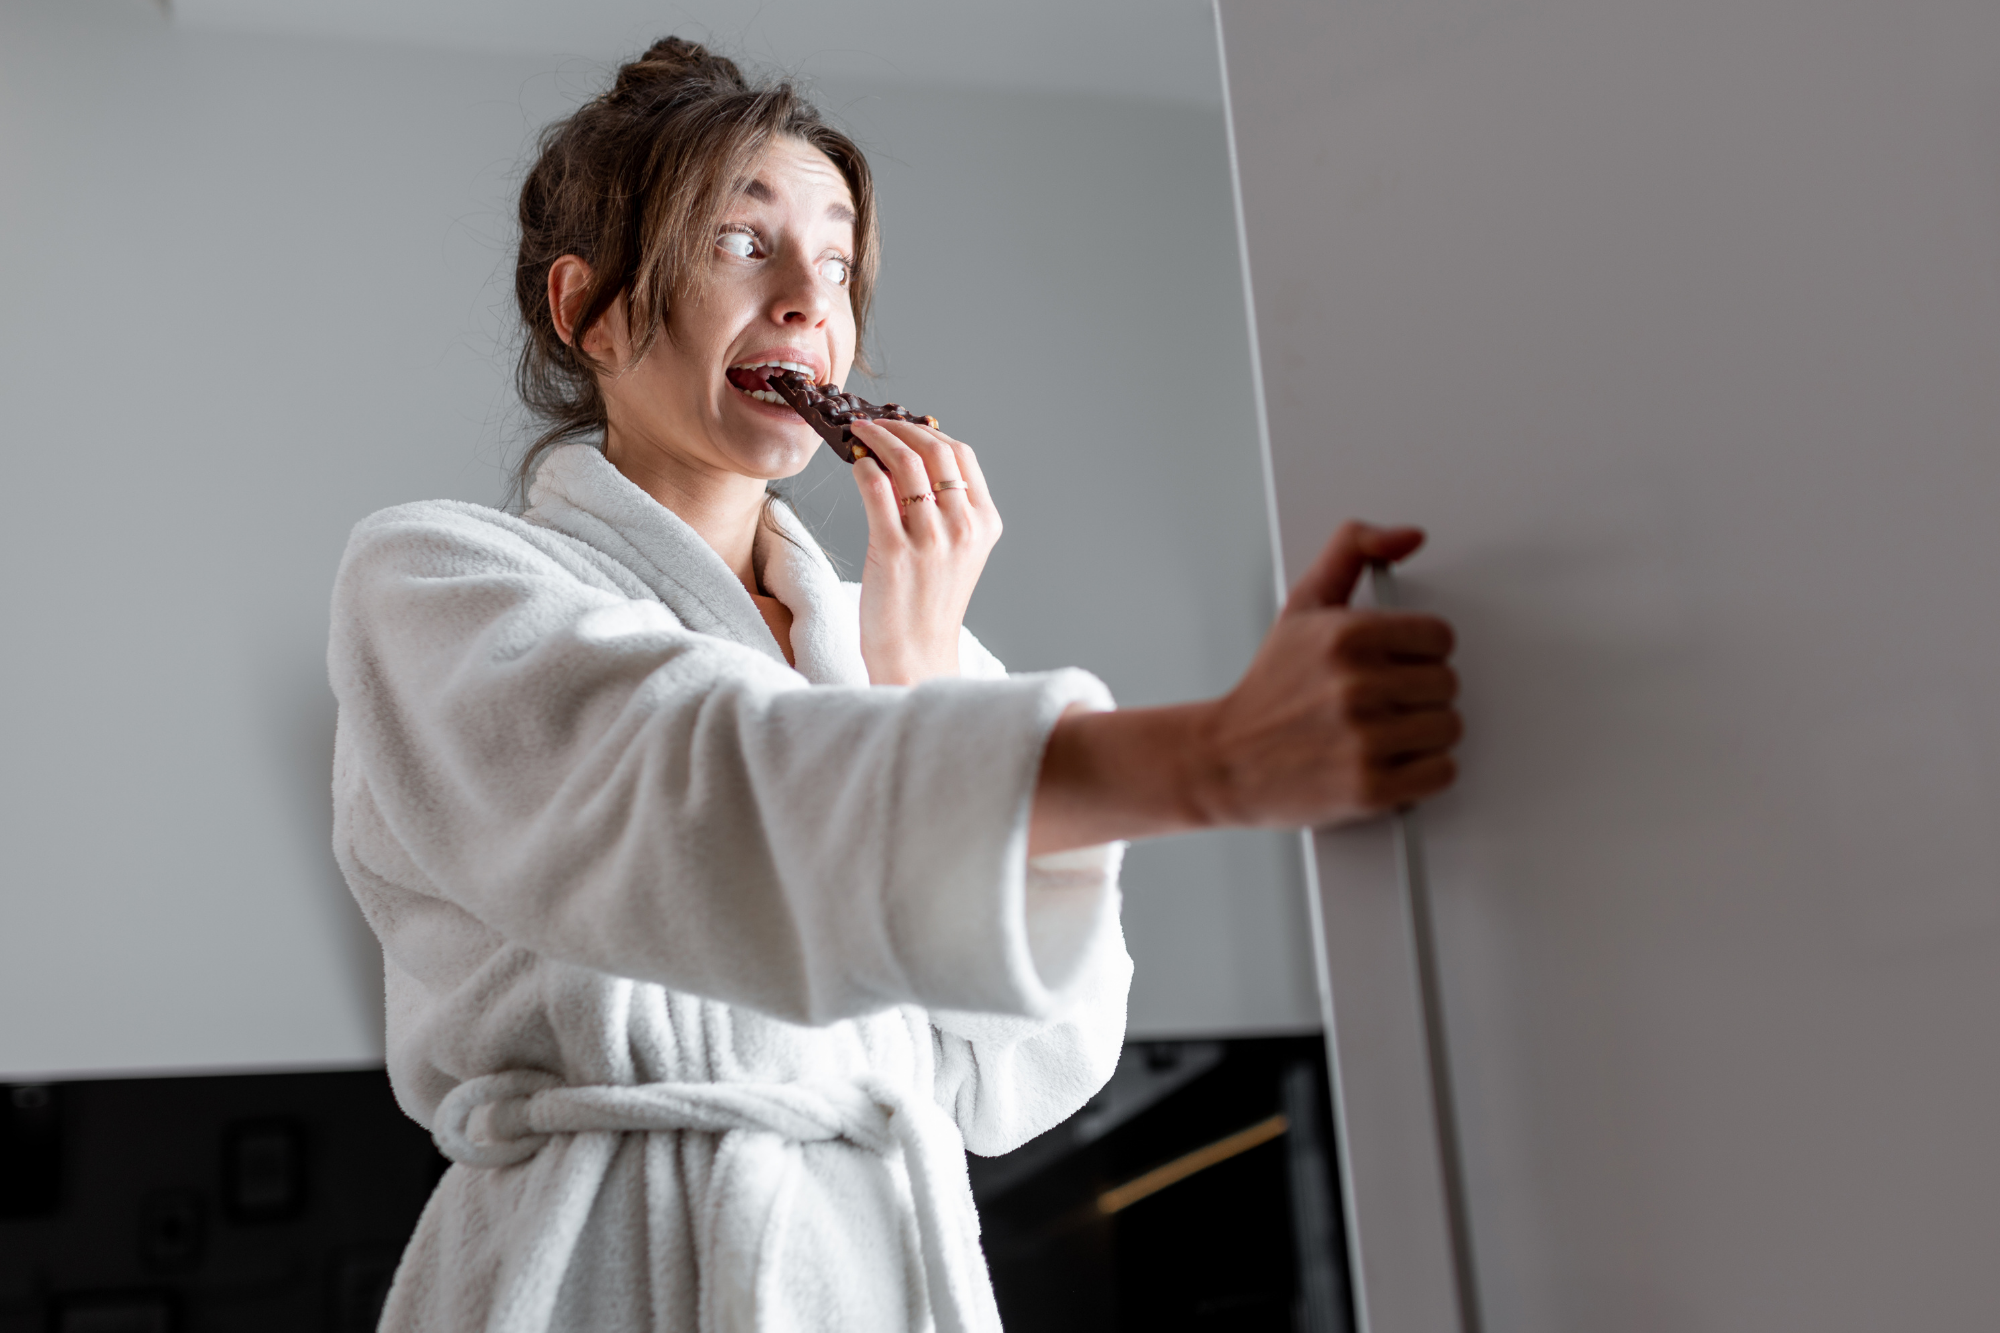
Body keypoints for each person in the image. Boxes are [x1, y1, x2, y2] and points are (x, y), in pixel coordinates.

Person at [327, 36, 1461, 1333]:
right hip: (596, 1271)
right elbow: (683, 787)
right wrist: (1211, 758)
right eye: (743, 242)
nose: (813, 295)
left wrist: (923, 676)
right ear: (584, 307)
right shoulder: (439, 579)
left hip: (877, 1272)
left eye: (838, 254)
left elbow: (1018, 1080)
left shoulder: (903, 652)